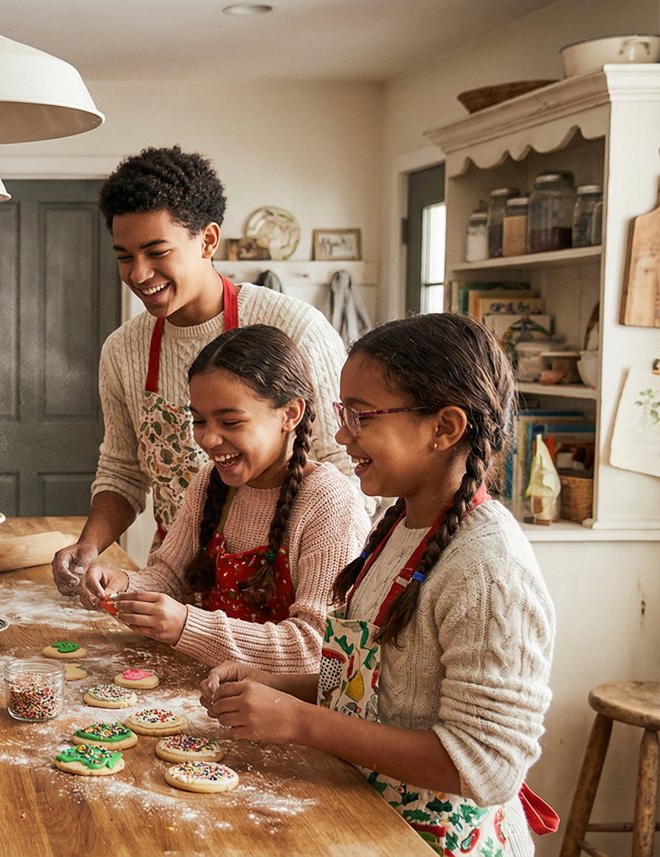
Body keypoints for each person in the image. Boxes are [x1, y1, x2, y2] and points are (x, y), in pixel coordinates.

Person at [199, 313, 556, 855]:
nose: (342, 435)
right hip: (371, 818)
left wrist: (301, 723)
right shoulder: (401, 526)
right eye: (344, 414)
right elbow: (380, 688)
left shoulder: (487, 569)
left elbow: (486, 768)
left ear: (444, 427)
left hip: (440, 841)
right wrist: (276, 682)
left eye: (361, 416)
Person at [52, 146, 358, 597]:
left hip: (285, 588)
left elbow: (345, 471)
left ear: (208, 240)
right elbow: (122, 469)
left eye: (156, 251)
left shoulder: (297, 329)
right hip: (177, 582)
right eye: (123, 256)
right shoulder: (123, 350)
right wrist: (90, 545)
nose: (138, 274)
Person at [79, 325, 368, 671]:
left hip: (284, 712)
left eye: (230, 422)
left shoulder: (328, 502)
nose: (209, 439)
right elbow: (171, 577)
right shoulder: (210, 483)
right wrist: (123, 585)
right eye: (199, 420)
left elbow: (316, 649)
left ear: (290, 414)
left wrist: (188, 626)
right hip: (211, 691)